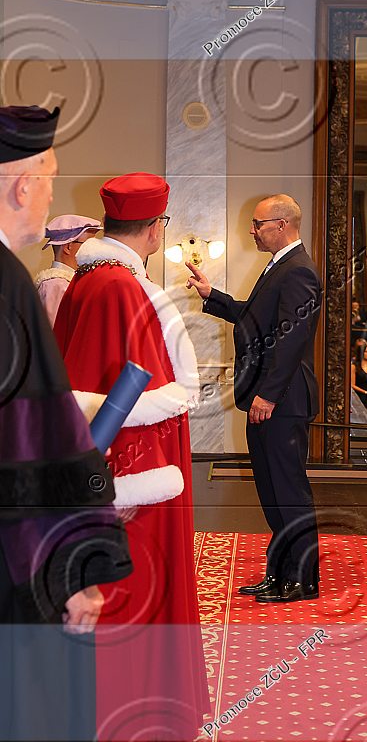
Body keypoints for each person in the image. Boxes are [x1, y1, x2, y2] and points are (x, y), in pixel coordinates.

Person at [54, 172, 209, 739]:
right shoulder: (121, 287)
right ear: (155, 227)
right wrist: (127, 484)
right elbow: (129, 397)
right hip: (133, 477)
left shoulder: (88, 279)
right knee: (137, 589)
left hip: (111, 467)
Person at [0, 105, 132, 741]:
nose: (51, 193)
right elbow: (27, 442)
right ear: (23, 186)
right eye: (50, 178)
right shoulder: (8, 285)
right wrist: (73, 566)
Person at [186, 193, 322, 604]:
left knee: (289, 492)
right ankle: (279, 573)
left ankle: (303, 579)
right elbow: (256, 317)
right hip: (268, 399)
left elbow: (291, 339)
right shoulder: (280, 265)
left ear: (282, 225)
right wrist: (212, 294)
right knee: (271, 491)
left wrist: (269, 394)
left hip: (281, 401)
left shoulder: (299, 270)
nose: (252, 230)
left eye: (258, 224)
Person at [35, 214, 102, 325]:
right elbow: (55, 331)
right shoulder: (56, 285)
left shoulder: (69, 283)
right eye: (88, 244)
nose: (94, 249)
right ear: (68, 247)